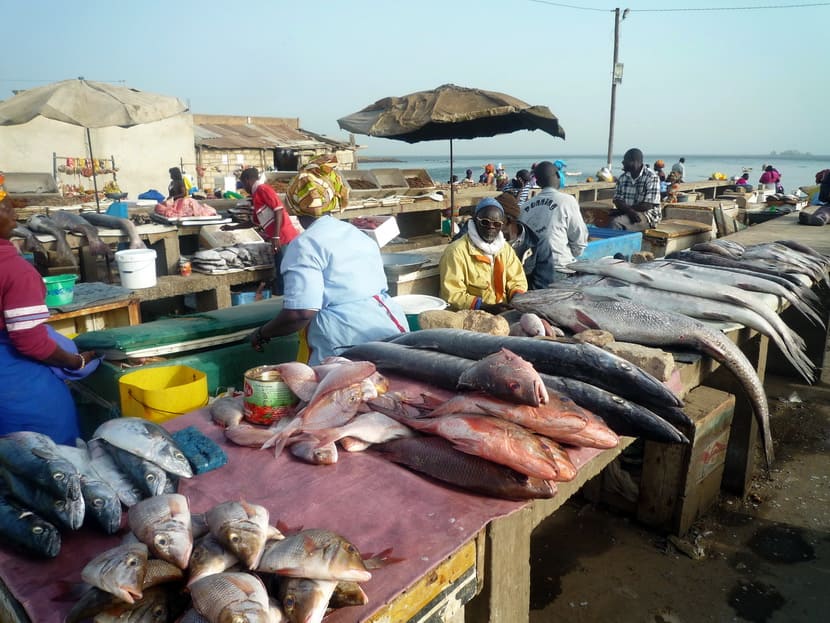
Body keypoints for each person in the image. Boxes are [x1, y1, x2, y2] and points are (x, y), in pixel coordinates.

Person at [249, 156, 407, 364]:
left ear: (295, 208)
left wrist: (262, 333)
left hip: (346, 343)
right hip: (390, 328)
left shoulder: (305, 244)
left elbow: (300, 313)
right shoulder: (356, 233)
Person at [0, 186, 98, 444]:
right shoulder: (15, 271)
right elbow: (29, 342)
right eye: (4, 206)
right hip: (16, 391)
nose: (14, 212)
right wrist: (74, 362)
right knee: (52, 462)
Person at [440, 197, 527, 312]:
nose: (491, 227)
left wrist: (516, 298)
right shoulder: (456, 251)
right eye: (485, 222)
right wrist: (485, 307)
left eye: (496, 224)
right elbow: (452, 294)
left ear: (502, 225)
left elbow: (517, 280)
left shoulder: (505, 249)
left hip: (503, 311)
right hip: (470, 316)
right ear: (475, 220)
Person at [451, 193, 553, 290]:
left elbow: (542, 285)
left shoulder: (538, 243)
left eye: (495, 222)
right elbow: (457, 243)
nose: (489, 226)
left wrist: (517, 299)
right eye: (485, 222)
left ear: (508, 221)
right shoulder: (481, 236)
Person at [518, 161, 588, 281]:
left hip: (529, 271)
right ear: (558, 175)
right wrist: (571, 254)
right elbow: (579, 240)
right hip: (559, 269)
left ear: (538, 182)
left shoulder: (525, 206)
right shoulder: (567, 201)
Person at [239, 167, 299, 295]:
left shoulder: (263, 189)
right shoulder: (256, 196)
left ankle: (284, 298)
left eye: (243, 184)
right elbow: (254, 221)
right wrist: (232, 228)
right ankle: (280, 296)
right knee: (279, 269)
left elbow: (278, 210)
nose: (244, 188)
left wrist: (276, 237)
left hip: (284, 237)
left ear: (248, 180)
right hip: (277, 239)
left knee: (284, 270)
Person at [610, 148, 662, 232]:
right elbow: (617, 200)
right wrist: (628, 211)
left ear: (634, 161)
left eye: (625, 160)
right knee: (601, 218)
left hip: (648, 215)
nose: (622, 162)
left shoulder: (651, 177)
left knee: (616, 223)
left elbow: (647, 205)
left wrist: (625, 210)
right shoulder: (623, 177)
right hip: (629, 212)